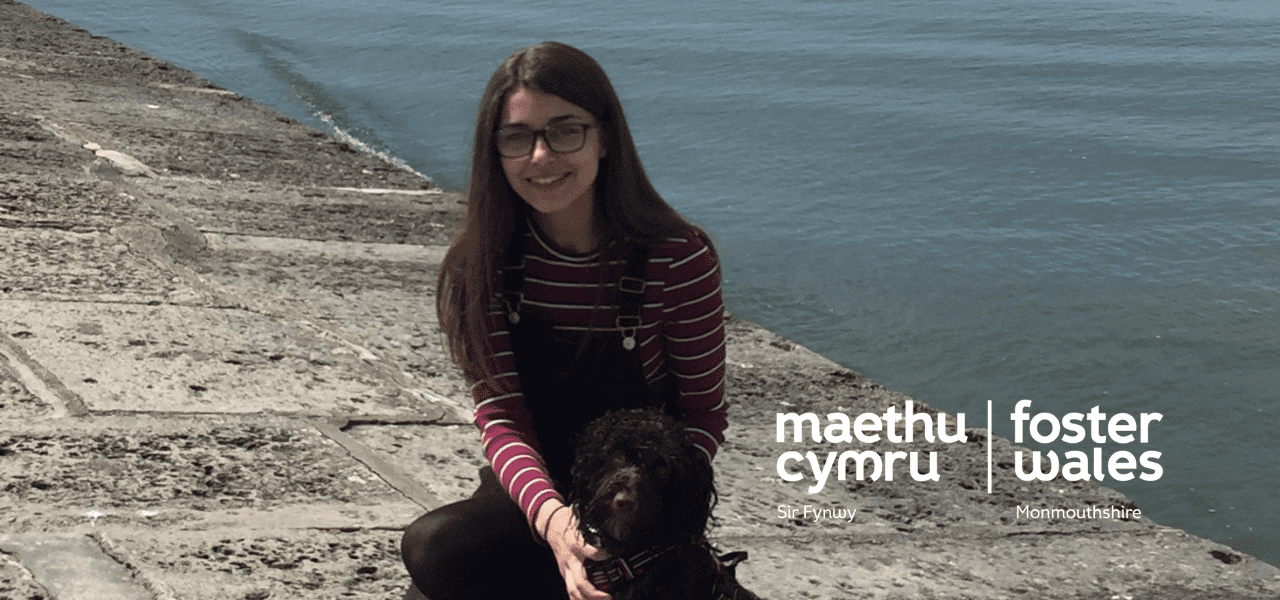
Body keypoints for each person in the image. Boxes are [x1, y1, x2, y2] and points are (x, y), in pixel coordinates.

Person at [400, 41, 727, 600]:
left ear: (605, 139)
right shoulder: (482, 263)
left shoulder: (676, 258)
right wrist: (554, 522)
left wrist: (637, 515)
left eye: (565, 130)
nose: (540, 157)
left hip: (638, 497)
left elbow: (702, 416)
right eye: (517, 137)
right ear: (495, 152)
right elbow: (502, 416)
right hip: (535, 491)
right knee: (434, 550)